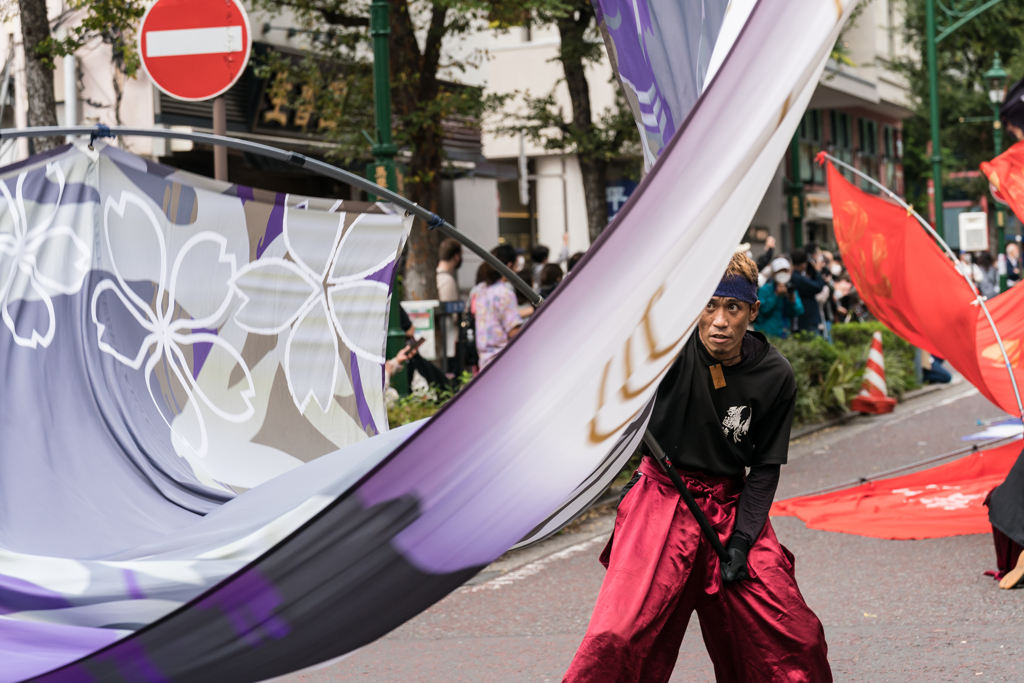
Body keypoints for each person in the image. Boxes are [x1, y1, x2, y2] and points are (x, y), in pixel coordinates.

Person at [563, 252, 831, 683]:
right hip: (659, 498)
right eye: (709, 305)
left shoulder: (775, 374)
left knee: (796, 638)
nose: (720, 321)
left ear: (752, 311)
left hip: (730, 507)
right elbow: (612, 350)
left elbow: (764, 468)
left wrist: (744, 540)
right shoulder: (668, 350)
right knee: (616, 635)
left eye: (733, 308)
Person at [469, 244, 523, 368]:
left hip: (484, 361)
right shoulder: (505, 293)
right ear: (509, 266)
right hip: (504, 361)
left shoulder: (479, 290)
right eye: (516, 266)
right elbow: (513, 330)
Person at [754, 257, 803, 338]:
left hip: (785, 334)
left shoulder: (791, 289)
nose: (782, 275)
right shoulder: (765, 289)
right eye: (779, 272)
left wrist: (791, 299)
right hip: (767, 335)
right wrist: (776, 295)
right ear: (773, 274)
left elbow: (798, 311)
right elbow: (763, 310)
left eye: (785, 271)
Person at [789, 248, 827, 336]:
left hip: (805, 317)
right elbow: (818, 287)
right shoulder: (797, 278)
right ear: (803, 264)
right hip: (807, 318)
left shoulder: (796, 276)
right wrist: (818, 272)